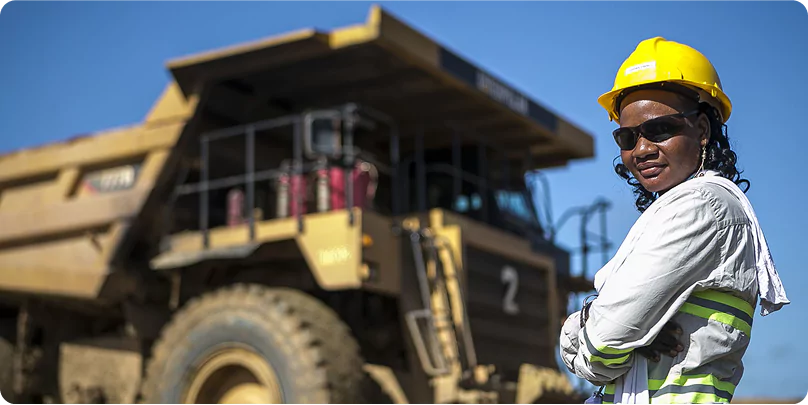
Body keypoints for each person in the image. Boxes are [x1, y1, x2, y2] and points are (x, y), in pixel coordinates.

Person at [559, 37, 790, 404]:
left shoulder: (701, 206)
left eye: (660, 129)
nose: (642, 149)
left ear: (701, 130)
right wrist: (621, 329)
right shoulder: (695, 207)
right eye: (628, 136)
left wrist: (578, 324)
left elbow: (600, 346)